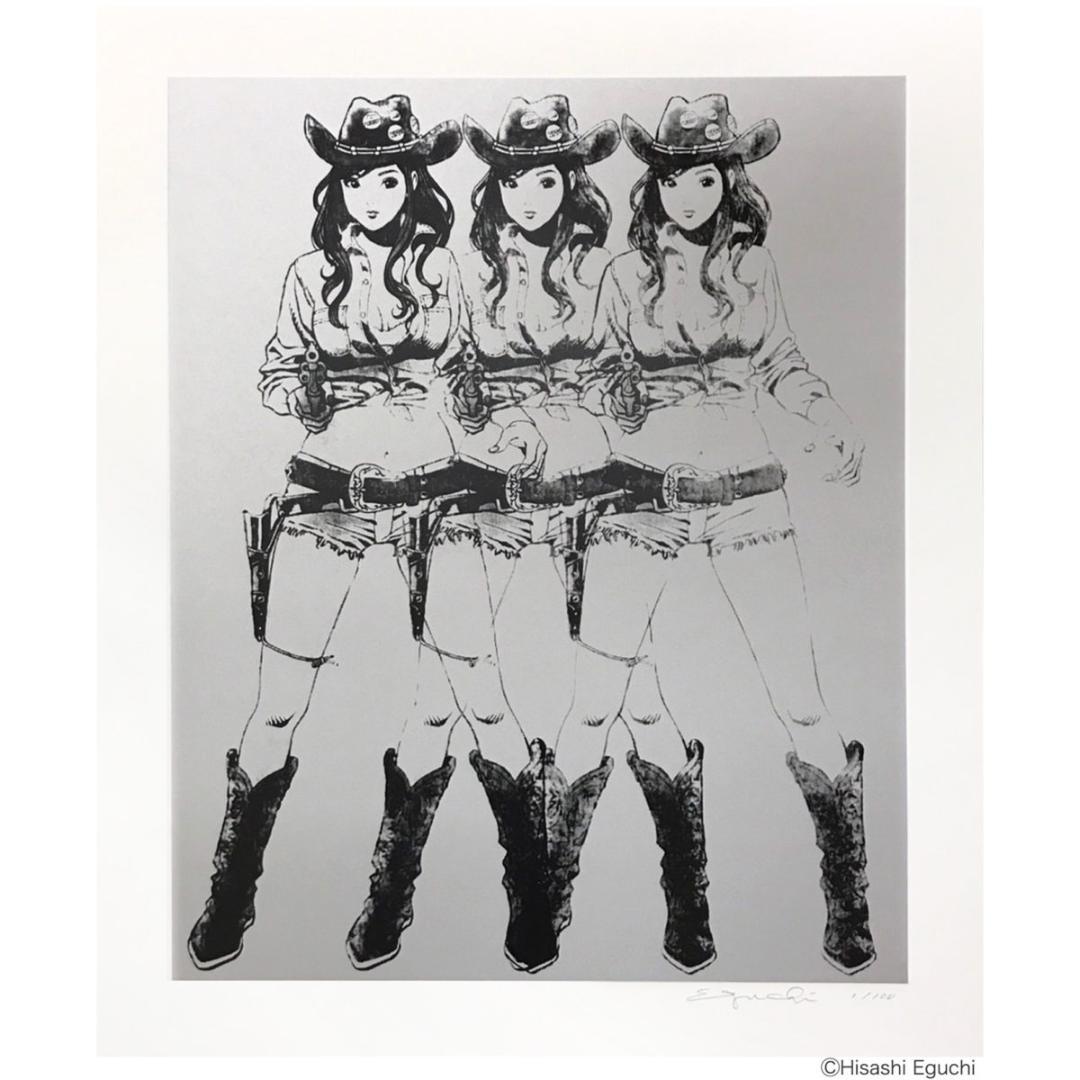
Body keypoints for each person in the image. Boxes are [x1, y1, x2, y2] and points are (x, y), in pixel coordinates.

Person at [186, 95, 540, 973]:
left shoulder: (446, 269)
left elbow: (478, 378)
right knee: (278, 701)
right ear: (336, 187)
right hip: (333, 492)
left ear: (414, 182)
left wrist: (494, 420)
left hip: (438, 495)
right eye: (355, 181)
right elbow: (275, 373)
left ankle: (525, 900)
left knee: (481, 696)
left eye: (387, 179)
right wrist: (300, 392)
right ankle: (230, 897)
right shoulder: (310, 276)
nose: (372, 197)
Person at [560, 94, 875, 976]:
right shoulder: (624, 277)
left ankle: (848, 904)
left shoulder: (753, 268)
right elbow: (596, 382)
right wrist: (613, 400)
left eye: (704, 179)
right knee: (595, 703)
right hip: (645, 497)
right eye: (673, 180)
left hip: (747, 494)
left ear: (729, 182)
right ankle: (584, 902)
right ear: (653, 186)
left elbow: (781, 362)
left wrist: (827, 415)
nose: (689, 196)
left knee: (801, 701)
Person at [449, 95, 623, 974]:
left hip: (592, 485)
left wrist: (605, 408)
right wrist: (489, 424)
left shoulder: (606, 270)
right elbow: (455, 380)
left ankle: (550, 888)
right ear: (494, 188)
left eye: (545, 180)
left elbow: (625, 378)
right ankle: (526, 858)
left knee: (606, 684)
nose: (528, 197)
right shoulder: (468, 272)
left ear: (571, 185)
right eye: (513, 181)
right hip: (497, 486)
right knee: (464, 650)